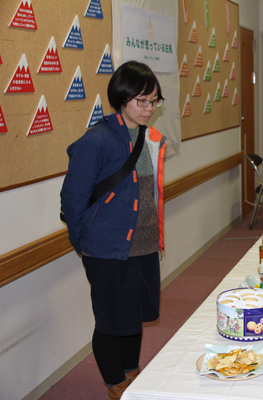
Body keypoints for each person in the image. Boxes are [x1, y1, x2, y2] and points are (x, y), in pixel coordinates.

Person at [60, 61, 166, 400]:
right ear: (122, 98)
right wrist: (84, 243)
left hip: (144, 245)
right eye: (142, 101)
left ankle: (131, 371)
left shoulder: (145, 136)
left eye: (154, 101)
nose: (149, 108)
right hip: (108, 248)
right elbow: (73, 198)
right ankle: (114, 382)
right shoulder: (98, 140)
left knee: (134, 316)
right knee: (110, 319)